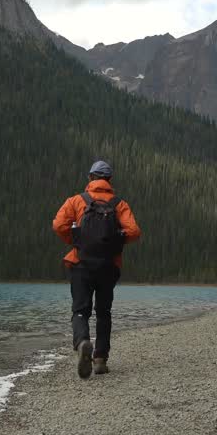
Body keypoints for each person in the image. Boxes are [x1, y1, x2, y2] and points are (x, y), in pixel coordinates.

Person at [51, 160, 141, 379]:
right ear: (109, 180)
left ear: (90, 178)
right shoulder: (119, 204)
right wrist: (115, 243)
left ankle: (82, 342)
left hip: (80, 264)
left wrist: (77, 241)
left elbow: (58, 226)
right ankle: (100, 360)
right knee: (104, 313)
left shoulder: (76, 201)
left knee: (80, 310)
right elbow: (134, 232)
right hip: (108, 266)